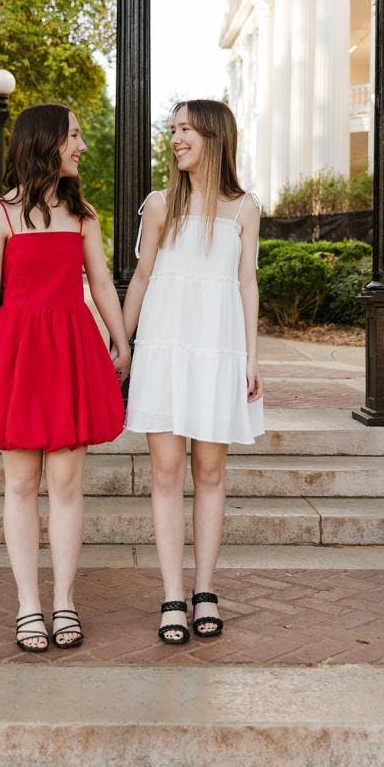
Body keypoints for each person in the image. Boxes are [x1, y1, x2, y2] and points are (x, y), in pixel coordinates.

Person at [0, 103, 129, 653]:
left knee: (64, 485)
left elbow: (102, 285)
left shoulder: (84, 215)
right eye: (75, 136)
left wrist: (121, 340)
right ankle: (28, 604)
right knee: (19, 483)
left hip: (70, 350)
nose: (82, 146)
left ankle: (65, 601)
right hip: (17, 353)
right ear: (46, 143)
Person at [123, 99, 264, 644]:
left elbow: (247, 283)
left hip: (217, 353)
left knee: (209, 473)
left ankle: (205, 590)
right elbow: (139, 280)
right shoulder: (160, 205)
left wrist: (251, 356)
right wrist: (123, 343)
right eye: (174, 129)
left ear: (213, 136)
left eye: (186, 129)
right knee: (165, 474)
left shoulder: (244, 208)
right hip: (165, 350)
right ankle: (171, 596)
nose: (176, 138)